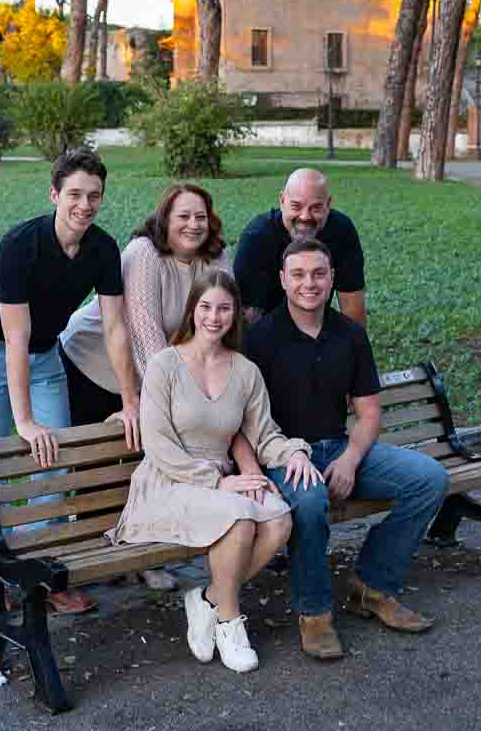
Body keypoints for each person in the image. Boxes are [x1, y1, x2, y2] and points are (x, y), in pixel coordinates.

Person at [243, 237, 450, 661]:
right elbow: (243, 420)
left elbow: (369, 414)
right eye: (298, 274)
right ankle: (314, 612)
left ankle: (372, 586)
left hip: (337, 447)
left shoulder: (349, 334)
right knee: (310, 501)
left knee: (430, 479)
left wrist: (350, 460)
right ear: (282, 280)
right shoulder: (259, 338)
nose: (309, 283)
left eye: (319, 273)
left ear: (333, 278)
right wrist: (276, 460)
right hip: (281, 456)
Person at [108, 270, 320, 673]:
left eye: (224, 308)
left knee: (277, 519)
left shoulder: (244, 371)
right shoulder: (164, 365)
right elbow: (157, 444)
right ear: (193, 311)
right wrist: (219, 481)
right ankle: (229, 622)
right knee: (239, 519)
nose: (214, 316)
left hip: (218, 487)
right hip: (168, 482)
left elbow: (264, 435)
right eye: (206, 307)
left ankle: (206, 597)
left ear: (235, 314)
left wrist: (293, 453)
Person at [0, 147, 139, 615]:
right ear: (54, 194)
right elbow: (14, 337)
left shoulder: (102, 248)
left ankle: (47, 576)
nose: (84, 205)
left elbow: (117, 329)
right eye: (75, 194)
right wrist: (24, 420)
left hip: (45, 354)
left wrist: (131, 400)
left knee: (55, 463)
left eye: (94, 196)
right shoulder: (20, 244)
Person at [59, 182, 231, 589]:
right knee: (97, 462)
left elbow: (221, 324)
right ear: (164, 220)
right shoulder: (143, 254)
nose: (193, 225)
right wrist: (168, 400)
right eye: (183, 216)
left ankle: (144, 552)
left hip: (154, 369)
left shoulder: (219, 258)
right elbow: (144, 336)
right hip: (92, 361)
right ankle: (92, 557)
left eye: (200, 217)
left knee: (147, 460)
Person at [233, 168, 366, 326]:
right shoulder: (257, 237)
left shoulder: (341, 231)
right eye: (296, 206)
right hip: (265, 331)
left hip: (316, 326)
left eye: (316, 208)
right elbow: (247, 318)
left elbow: (353, 308)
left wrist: (355, 347)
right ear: (282, 200)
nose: (305, 217)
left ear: (328, 204)